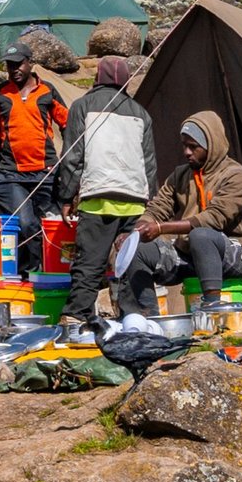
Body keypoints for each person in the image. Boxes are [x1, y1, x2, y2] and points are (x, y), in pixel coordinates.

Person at [52, 54, 158, 324]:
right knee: (127, 265)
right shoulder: (141, 114)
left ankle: (76, 316)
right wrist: (151, 204)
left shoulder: (82, 106)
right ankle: (134, 320)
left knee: (90, 262)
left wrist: (66, 197)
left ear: (97, 78)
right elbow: (149, 163)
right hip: (135, 201)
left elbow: (73, 157)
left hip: (98, 198)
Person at [121, 110, 242, 303]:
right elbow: (158, 209)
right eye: (184, 145)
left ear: (211, 146)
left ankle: (212, 308)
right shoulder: (180, 175)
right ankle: (147, 319)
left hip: (230, 256)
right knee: (137, 250)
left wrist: (161, 228)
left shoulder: (235, 176)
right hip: (188, 255)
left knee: (200, 235)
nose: (187, 152)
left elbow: (212, 219)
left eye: (194, 147)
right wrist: (134, 234)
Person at [0, 45, 69, 235]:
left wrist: (64, 163)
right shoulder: (0, 94)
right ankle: (30, 266)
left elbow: (67, 124)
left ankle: (44, 265)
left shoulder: (47, 90)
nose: (14, 69)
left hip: (46, 172)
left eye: (19, 64)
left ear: (30, 63)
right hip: (11, 174)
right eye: (10, 65)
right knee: (26, 223)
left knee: (50, 225)